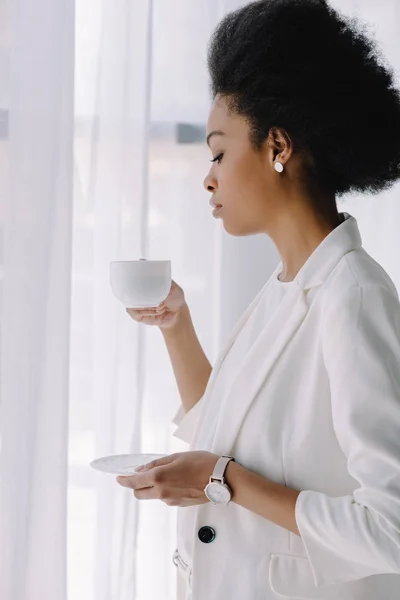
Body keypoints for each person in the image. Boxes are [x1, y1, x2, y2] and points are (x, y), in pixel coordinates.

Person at [117, 0, 400, 598]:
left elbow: (391, 528)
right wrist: (177, 326)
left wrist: (225, 481)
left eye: (219, 152)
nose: (209, 177)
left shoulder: (353, 297)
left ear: (277, 145)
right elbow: (222, 435)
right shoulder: (285, 287)